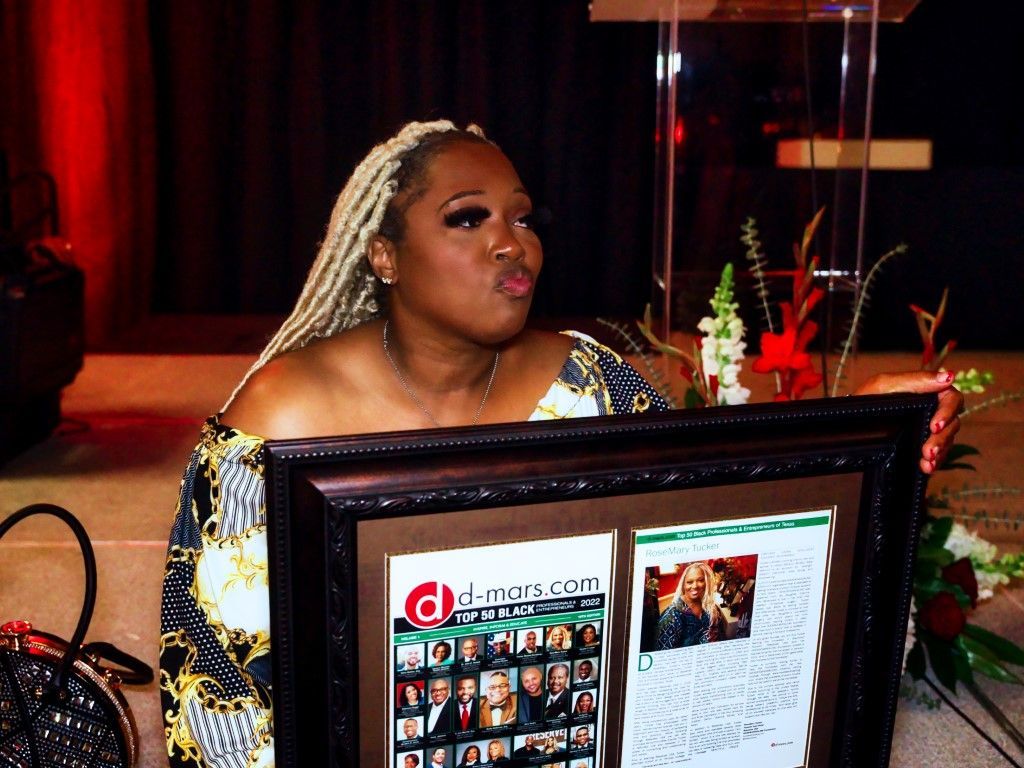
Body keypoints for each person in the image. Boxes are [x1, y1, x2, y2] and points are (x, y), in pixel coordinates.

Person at [159, 119, 963, 766]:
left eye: (522, 217)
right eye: (467, 217)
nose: (512, 243)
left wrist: (858, 435)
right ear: (384, 257)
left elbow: (707, 531)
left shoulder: (589, 381)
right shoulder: (283, 418)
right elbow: (214, 683)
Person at [655, 562, 724, 649]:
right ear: (683, 585)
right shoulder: (672, 616)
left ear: (707, 582)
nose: (695, 586)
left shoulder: (711, 608)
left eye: (700, 580)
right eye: (689, 582)